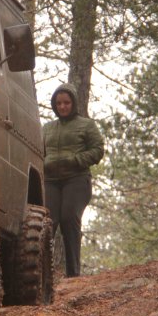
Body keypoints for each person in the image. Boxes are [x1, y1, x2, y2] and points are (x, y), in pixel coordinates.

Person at [43, 83, 104, 277]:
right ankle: (42, 274)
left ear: (74, 103)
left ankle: (73, 274)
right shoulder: (47, 128)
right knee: (46, 222)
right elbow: (37, 150)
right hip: (50, 180)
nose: (62, 106)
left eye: (66, 103)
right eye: (59, 103)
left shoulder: (87, 125)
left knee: (69, 217)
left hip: (76, 179)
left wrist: (75, 160)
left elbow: (98, 150)